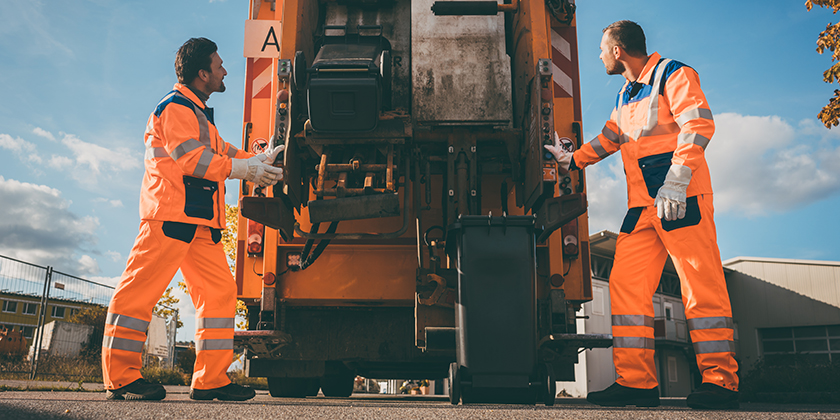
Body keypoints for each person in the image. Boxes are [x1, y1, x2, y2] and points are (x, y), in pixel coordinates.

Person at [545, 21, 739, 410]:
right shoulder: (626, 96)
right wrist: (572, 160)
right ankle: (636, 383)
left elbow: (698, 124)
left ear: (618, 51)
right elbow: (611, 139)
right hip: (643, 208)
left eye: (602, 49)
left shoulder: (674, 74)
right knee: (625, 284)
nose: (599, 55)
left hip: (681, 200)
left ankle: (720, 381)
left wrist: (678, 180)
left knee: (700, 286)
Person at [101, 37, 284, 401]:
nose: (225, 70)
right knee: (137, 296)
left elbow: (220, 151)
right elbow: (192, 160)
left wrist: (257, 161)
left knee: (219, 295)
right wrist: (242, 169)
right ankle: (121, 378)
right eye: (218, 66)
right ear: (203, 74)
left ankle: (211, 380)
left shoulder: (196, 113)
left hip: (198, 223)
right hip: (168, 219)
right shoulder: (174, 109)